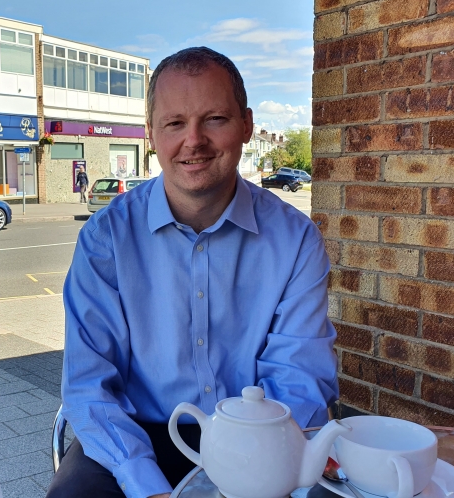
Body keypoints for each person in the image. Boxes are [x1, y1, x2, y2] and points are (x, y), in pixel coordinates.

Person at [47, 47, 338, 498]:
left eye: (215, 119)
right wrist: (147, 486)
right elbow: (89, 385)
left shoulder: (295, 240)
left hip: (254, 435)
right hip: (134, 432)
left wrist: (255, 468)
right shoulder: (106, 238)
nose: (194, 140)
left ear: (246, 124)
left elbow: (297, 376)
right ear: (151, 134)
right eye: (175, 123)